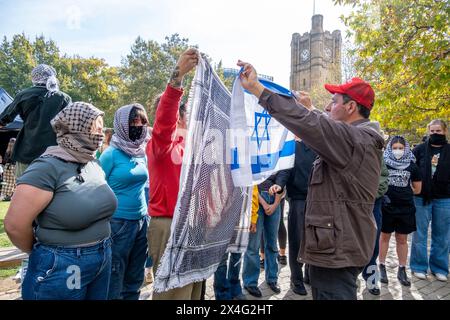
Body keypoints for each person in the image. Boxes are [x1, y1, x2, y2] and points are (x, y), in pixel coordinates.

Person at [238, 61, 384, 300]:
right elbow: (325, 126)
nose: (327, 106)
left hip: (337, 249)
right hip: (337, 244)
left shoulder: (356, 140)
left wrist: (258, 90)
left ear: (351, 107)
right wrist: (311, 109)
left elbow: (314, 125)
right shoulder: (357, 137)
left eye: (334, 102)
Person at [4, 102, 117, 300]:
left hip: (102, 257)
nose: (100, 132)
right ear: (76, 129)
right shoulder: (47, 167)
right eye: (95, 127)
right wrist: (46, 253)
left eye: (102, 127)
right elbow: (14, 225)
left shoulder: (92, 163)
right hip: (62, 265)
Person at [146, 48, 201, 300]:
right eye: (185, 110)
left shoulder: (190, 144)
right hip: (169, 225)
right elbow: (165, 120)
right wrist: (178, 77)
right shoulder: (161, 145)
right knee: (174, 297)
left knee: (192, 295)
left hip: (192, 226)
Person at [99, 104, 150, 300]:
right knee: (115, 275)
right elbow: (96, 187)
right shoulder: (110, 154)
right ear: (122, 125)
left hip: (141, 222)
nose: (138, 125)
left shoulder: (140, 152)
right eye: (133, 122)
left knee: (135, 276)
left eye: (141, 121)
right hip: (118, 223)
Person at [0, 64, 71, 177]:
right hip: (53, 155)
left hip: (26, 151)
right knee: (48, 191)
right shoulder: (64, 98)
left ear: (34, 77)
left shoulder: (23, 95)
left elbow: (4, 119)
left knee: (23, 187)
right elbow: (69, 127)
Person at [270, 137, 317, 296]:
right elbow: (285, 170)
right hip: (298, 200)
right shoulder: (293, 146)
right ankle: (296, 279)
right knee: (297, 240)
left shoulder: (320, 146)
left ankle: (309, 274)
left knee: (314, 240)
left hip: (318, 201)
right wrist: (280, 184)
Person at [378, 136, 422, 287]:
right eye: (395, 147)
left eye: (400, 148)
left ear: (406, 149)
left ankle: (402, 269)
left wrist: (405, 191)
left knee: (402, 239)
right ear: (390, 148)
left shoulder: (412, 166)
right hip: (387, 206)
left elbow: (417, 189)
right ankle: (381, 266)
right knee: (384, 237)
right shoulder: (384, 163)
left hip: (405, 208)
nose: (398, 151)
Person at [410, 119, 450, 282]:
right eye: (432, 131)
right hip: (421, 197)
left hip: (444, 198)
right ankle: (418, 267)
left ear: (445, 131)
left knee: (442, 235)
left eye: (438, 131)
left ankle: (439, 268)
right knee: (419, 234)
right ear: (428, 132)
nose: (435, 134)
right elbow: (411, 170)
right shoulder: (419, 150)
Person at [213, 186, 259, 300]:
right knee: (221, 257)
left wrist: (253, 217)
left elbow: (252, 189)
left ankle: (234, 287)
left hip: (241, 216)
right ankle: (222, 292)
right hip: (221, 215)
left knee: (237, 254)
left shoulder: (247, 168)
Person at [243, 173, 284, 297]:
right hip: (257, 200)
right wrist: (264, 204)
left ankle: (272, 279)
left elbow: (283, 181)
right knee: (253, 246)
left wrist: (275, 205)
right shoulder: (255, 156)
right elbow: (250, 183)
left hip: (275, 201)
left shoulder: (278, 156)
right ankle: (250, 282)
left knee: (272, 244)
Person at [362, 158, 389, 295]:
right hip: (350, 205)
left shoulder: (375, 153)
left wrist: (369, 194)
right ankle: (349, 279)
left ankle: (371, 279)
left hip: (373, 204)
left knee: (373, 245)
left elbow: (383, 178)